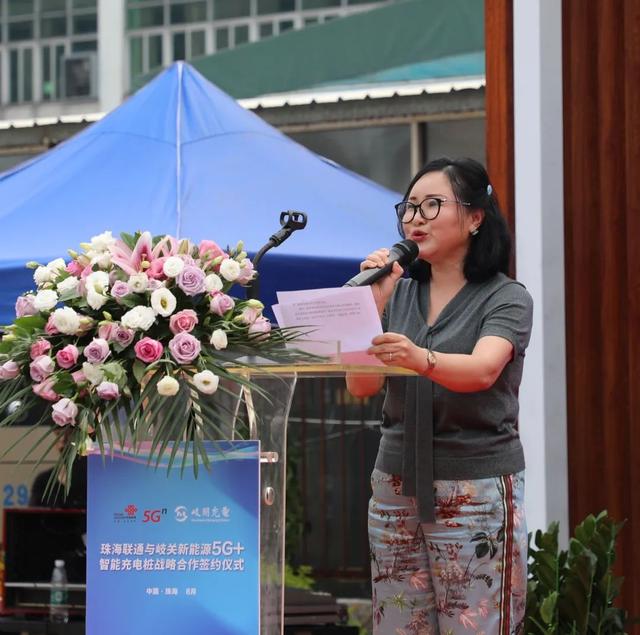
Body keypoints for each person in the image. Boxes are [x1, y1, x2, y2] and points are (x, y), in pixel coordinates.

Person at [346, 157, 533, 634]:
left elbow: (483, 370)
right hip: (394, 488)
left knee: (475, 624)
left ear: (475, 218)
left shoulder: (506, 297)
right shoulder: (399, 294)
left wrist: (417, 357)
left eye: (432, 204)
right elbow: (361, 385)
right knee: (399, 624)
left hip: (473, 488)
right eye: (409, 207)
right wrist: (371, 304)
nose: (416, 218)